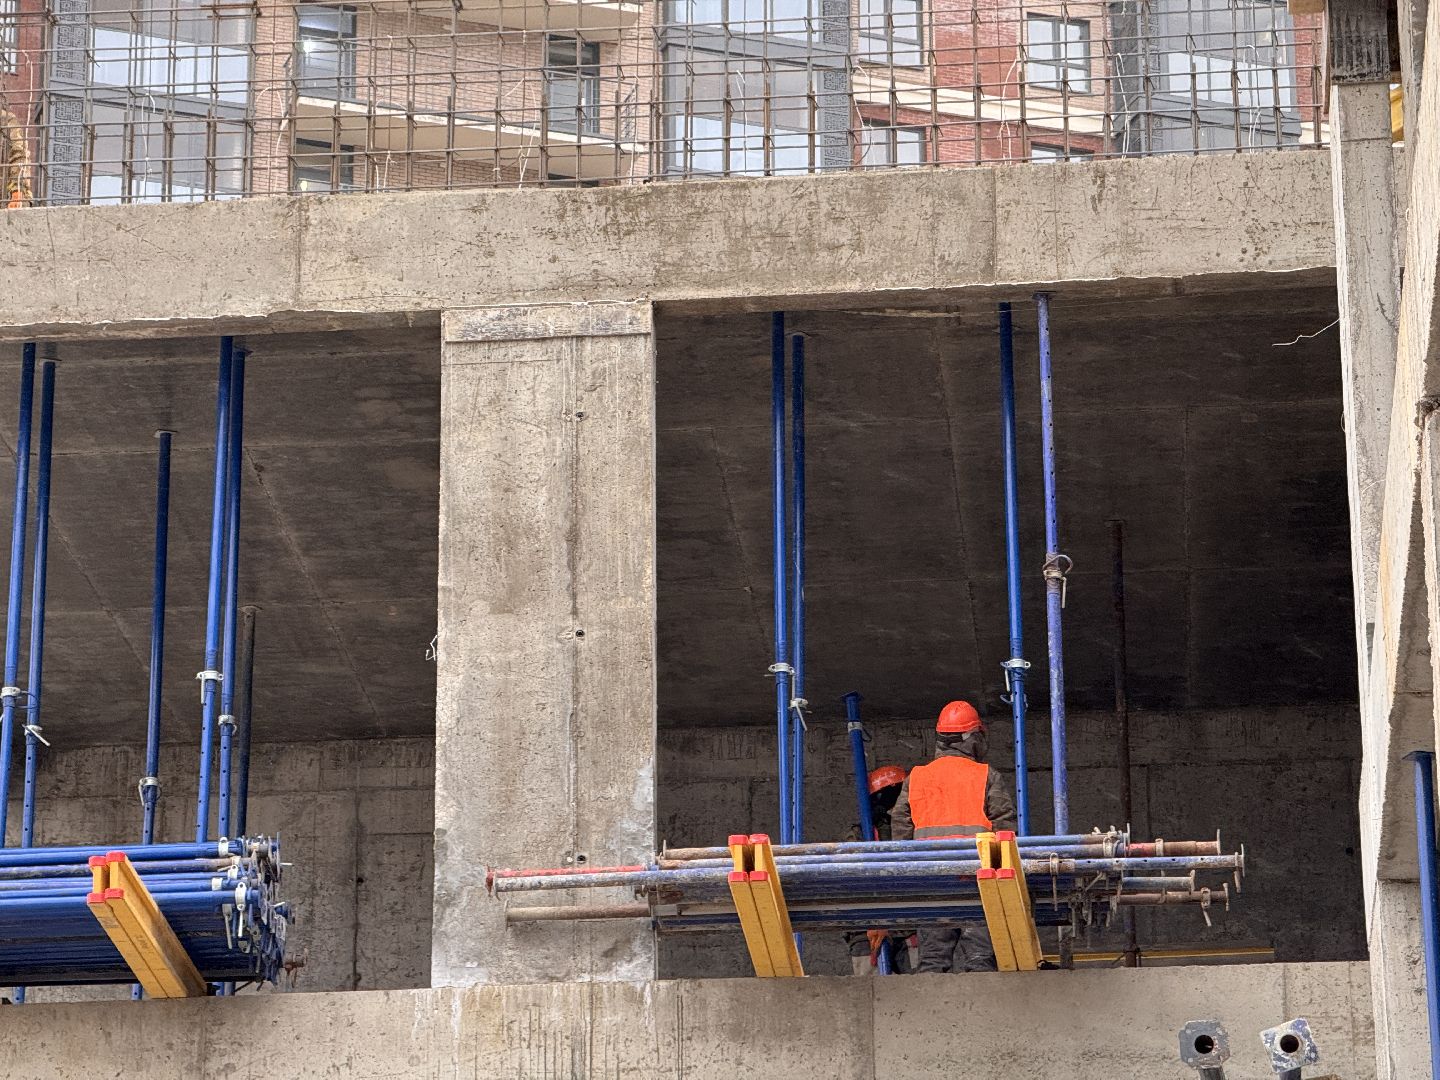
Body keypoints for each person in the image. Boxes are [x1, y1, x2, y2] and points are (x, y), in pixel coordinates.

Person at [891, 700, 1016, 973]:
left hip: (933, 883)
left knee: (932, 963)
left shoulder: (917, 778)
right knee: (981, 961)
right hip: (978, 884)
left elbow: (901, 831)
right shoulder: (986, 775)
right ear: (973, 738)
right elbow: (1004, 830)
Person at [845, 765, 919, 975]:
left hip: (908, 925)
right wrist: (875, 919)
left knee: (918, 985)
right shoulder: (861, 835)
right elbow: (855, 881)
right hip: (866, 929)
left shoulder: (914, 832)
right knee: (870, 987)